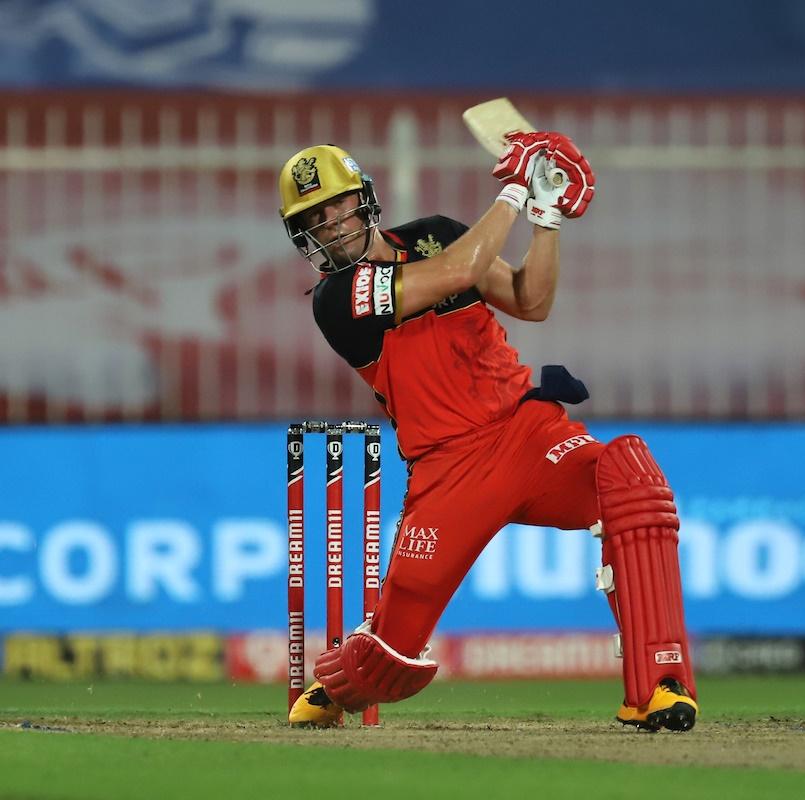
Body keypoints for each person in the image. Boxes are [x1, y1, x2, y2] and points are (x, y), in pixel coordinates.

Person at [278, 132, 698, 732]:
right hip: (449, 471)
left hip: (528, 434)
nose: (328, 223)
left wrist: (546, 217)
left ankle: (658, 685)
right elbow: (459, 272)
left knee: (628, 480)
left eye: (334, 205)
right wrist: (514, 192)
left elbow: (531, 300)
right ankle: (339, 681)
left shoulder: (437, 233)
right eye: (311, 219)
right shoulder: (335, 299)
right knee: (386, 665)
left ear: (362, 199)